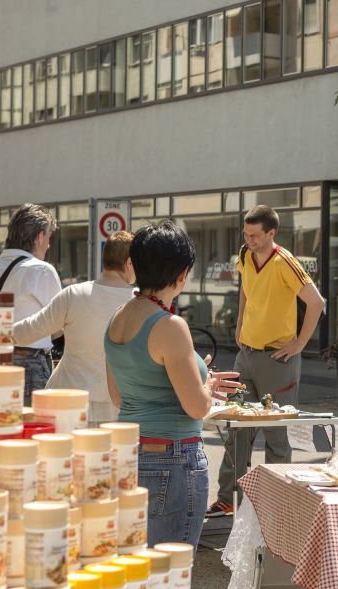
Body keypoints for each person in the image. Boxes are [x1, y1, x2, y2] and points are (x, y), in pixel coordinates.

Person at [104, 221, 242, 547]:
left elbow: (118, 395)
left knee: (134, 568)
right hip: (173, 457)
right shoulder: (170, 325)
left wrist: (199, 380)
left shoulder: (116, 318)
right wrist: (205, 387)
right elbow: (196, 406)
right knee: (170, 578)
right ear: (181, 274)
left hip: (129, 453)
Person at [210, 205, 326, 518]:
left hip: (278, 359)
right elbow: (246, 291)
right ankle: (227, 500)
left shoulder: (285, 261)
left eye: (255, 235)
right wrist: (238, 325)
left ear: (271, 233)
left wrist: (299, 344)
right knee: (237, 430)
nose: (249, 240)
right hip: (246, 355)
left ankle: (277, 507)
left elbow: (316, 302)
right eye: (246, 234)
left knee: (276, 435)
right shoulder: (246, 255)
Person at [10, 230, 136, 425]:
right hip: (118, 408)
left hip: (66, 401)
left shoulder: (74, 294)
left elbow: (29, 330)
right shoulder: (140, 303)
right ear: (129, 263)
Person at [0, 203, 62, 403]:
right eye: (49, 238)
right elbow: (59, 326)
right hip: (29, 363)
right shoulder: (41, 271)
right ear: (40, 237)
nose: (48, 245)